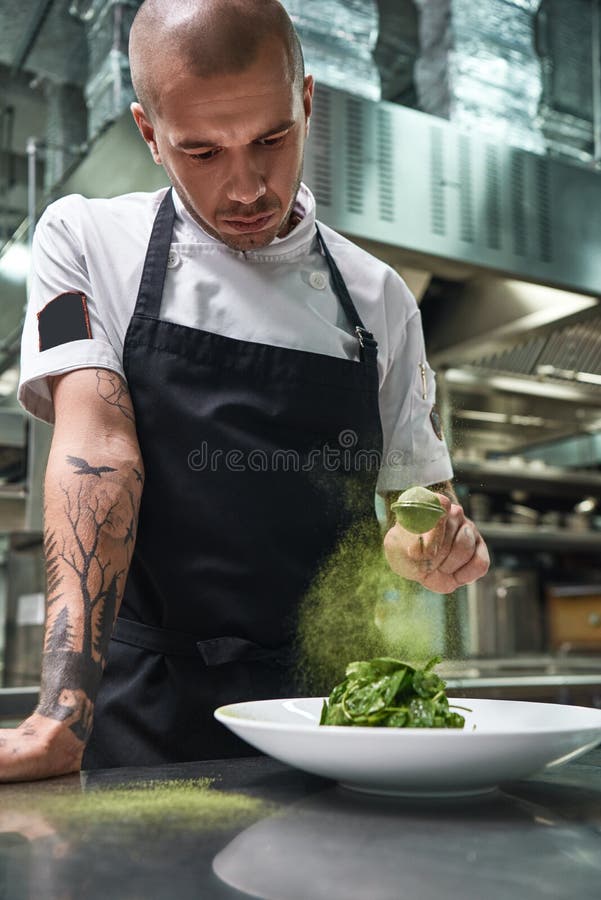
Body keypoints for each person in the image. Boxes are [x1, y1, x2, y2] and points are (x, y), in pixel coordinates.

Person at [1, 0, 489, 782]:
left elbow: (411, 508)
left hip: (331, 719)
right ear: (149, 134)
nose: (247, 185)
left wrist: (431, 547)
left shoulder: (378, 297)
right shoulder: (86, 239)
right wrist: (60, 711)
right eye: (201, 152)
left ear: (304, 100)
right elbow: (97, 451)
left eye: (271, 138)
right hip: (146, 712)